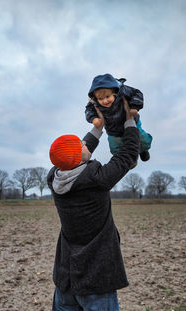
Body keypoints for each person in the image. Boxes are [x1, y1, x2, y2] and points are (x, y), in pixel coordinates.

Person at [48, 97, 140, 311]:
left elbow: (72, 156)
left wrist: (97, 128)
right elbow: (127, 155)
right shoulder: (97, 179)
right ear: (79, 157)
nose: (84, 143)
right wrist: (129, 120)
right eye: (81, 145)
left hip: (65, 279)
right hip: (96, 280)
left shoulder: (54, 178)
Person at [85, 73, 152, 164]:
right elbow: (89, 110)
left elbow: (137, 93)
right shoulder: (94, 103)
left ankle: (144, 150)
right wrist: (94, 119)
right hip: (113, 130)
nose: (105, 101)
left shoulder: (123, 91)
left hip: (132, 123)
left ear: (114, 92)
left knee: (142, 138)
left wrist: (134, 107)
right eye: (100, 99)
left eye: (107, 97)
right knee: (115, 147)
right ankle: (125, 160)